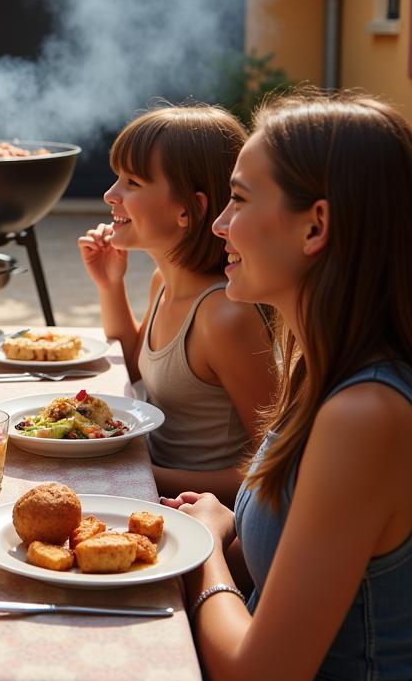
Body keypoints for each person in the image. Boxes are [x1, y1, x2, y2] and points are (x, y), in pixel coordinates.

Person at [165, 91, 412, 681]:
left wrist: (203, 549)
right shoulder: (318, 367)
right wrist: (226, 529)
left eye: (240, 200)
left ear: (315, 227)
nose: (218, 224)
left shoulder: (368, 415)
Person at [78, 105, 277, 503]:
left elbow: (272, 469)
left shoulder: (224, 316)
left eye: (132, 182)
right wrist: (110, 285)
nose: (110, 195)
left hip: (200, 520)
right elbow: (139, 369)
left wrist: (138, 474)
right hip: (152, 484)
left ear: (189, 209)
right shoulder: (164, 283)